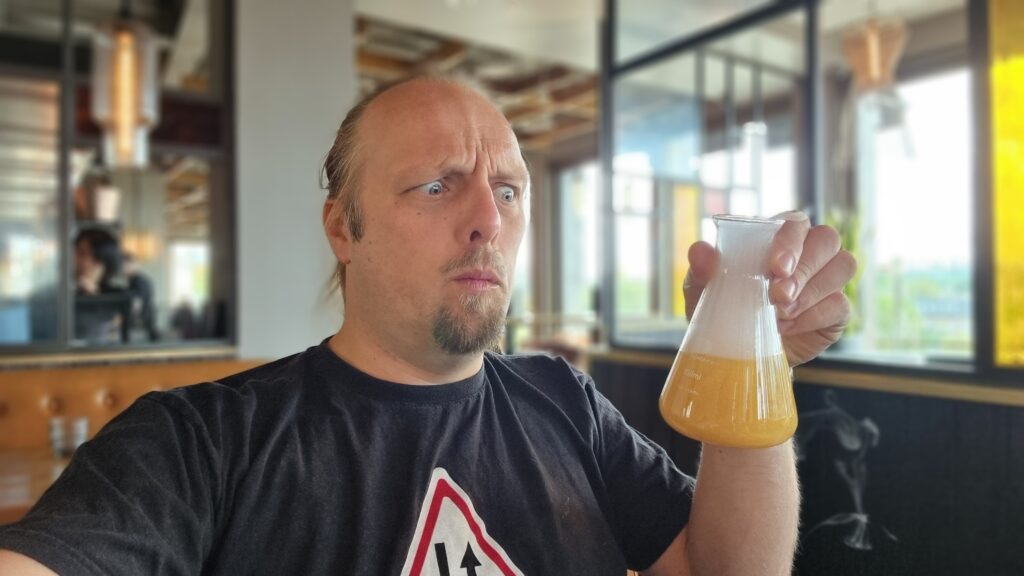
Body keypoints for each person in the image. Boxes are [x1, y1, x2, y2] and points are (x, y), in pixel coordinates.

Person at [0, 78, 855, 575]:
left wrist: (761, 359)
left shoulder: (565, 401)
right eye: (438, 186)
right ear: (343, 228)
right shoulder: (201, 442)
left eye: (508, 190)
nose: (488, 220)